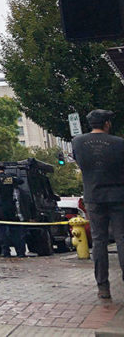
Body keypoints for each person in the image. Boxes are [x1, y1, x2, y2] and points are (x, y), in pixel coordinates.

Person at [72, 109, 124, 299]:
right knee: (122, 238)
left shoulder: (77, 142)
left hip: (93, 196)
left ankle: (103, 286)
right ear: (107, 124)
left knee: (99, 241)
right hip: (119, 195)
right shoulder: (119, 143)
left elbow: (80, 163)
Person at [0, 163, 26, 258]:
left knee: (2, 232)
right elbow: (21, 181)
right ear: (4, 169)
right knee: (15, 231)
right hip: (11, 208)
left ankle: (6, 252)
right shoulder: (10, 178)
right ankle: (20, 252)